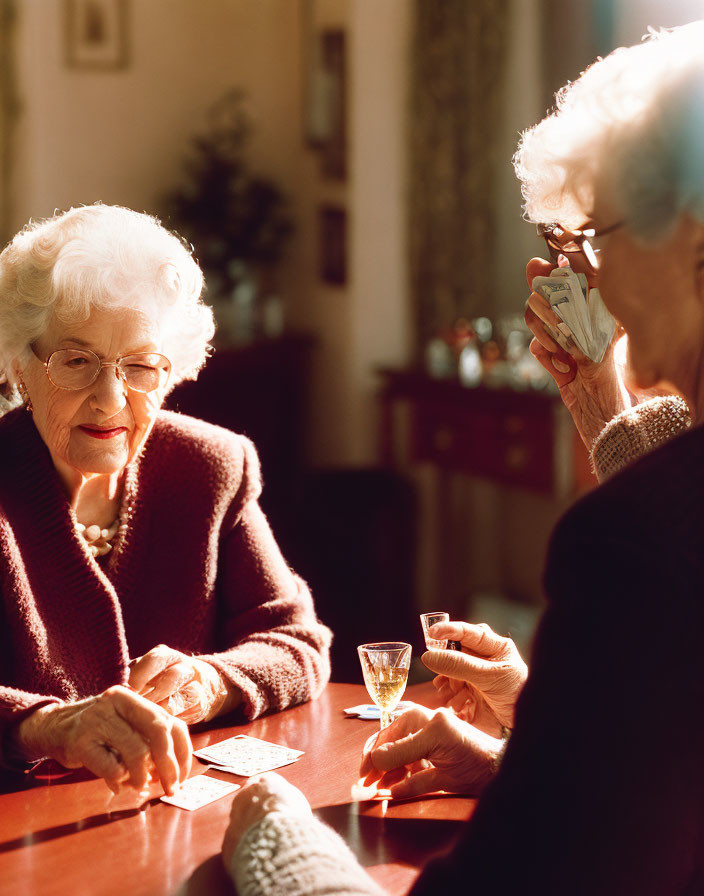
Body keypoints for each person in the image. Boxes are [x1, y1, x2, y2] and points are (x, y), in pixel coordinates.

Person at [221, 21, 704, 895]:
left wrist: (270, 832)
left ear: (696, 244)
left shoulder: (629, 546)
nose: (586, 276)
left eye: (597, 238)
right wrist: (532, 747)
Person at [0, 204, 331, 796]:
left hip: (168, 835)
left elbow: (298, 640)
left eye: (140, 366)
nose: (110, 398)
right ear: (21, 365)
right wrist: (46, 725)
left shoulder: (210, 468)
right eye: (77, 362)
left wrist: (210, 681)